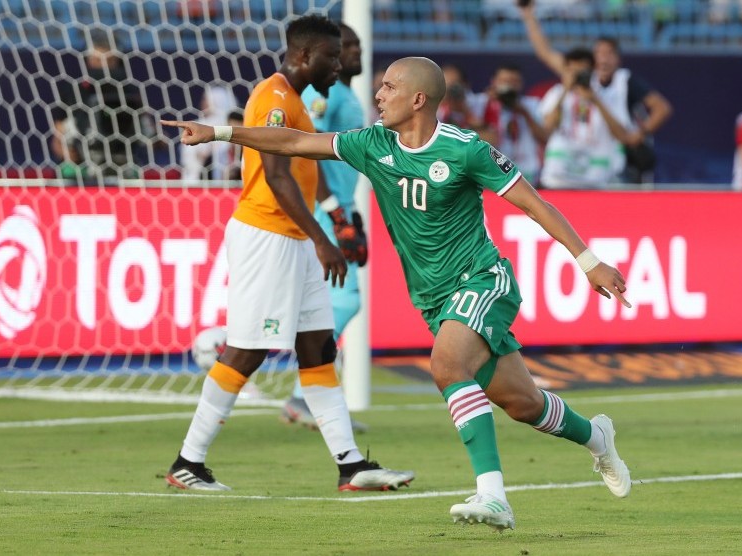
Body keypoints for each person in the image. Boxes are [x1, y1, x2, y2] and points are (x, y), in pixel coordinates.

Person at [162, 56, 632, 531]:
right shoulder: (372, 144)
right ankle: (597, 437)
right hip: (432, 298)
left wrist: (589, 262)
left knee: (447, 366)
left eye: (388, 87)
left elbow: (536, 204)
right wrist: (221, 133)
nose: (379, 95)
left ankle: (493, 497)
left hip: (483, 279)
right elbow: (295, 141)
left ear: (418, 99)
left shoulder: (466, 149)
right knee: (523, 403)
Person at [162, 15, 413, 493]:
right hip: (268, 236)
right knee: (249, 348)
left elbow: (305, 164)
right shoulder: (274, 98)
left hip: (295, 238)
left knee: (317, 346)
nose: (338, 66)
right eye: (331, 56)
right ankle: (187, 462)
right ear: (302, 56)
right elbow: (277, 176)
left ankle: (351, 466)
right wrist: (323, 239)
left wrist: (333, 217)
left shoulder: (295, 100)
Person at [281, 22, 369, 431]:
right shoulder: (321, 94)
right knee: (343, 300)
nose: (353, 52)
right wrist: (335, 212)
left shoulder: (347, 94)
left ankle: (310, 397)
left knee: (324, 300)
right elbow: (310, 153)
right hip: (325, 213)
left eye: (356, 46)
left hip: (340, 209)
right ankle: (306, 394)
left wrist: (352, 215)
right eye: (345, 47)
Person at [519, 3, 672, 185]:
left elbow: (660, 109)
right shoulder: (567, 84)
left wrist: (639, 134)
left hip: (601, 174)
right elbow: (546, 52)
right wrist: (529, 16)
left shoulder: (617, 86)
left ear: (617, 58)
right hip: (561, 175)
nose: (603, 59)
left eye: (609, 54)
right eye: (598, 53)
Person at [50, 28, 156, 186]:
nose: (104, 66)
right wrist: (67, 153)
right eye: (98, 61)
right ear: (89, 60)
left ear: (118, 61)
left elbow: (151, 134)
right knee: (66, 173)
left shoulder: (130, 92)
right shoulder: (73, 91)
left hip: (122, 162)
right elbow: (58, 136)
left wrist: (155, 137)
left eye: (110, 61)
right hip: (82, 162)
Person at [538, 47, 635, 189]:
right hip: (558, 178)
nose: (577, 76)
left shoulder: (609, 95)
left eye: (582, 71)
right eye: (572, 71)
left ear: (593, 71)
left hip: (596, 180)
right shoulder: (556, 93)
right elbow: (547, 129)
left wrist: (596, 101)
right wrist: (565, 90)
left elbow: (622, 136)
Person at [478, 62, 549, 185]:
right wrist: (492, 105)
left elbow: (544, 138)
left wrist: (524, 113)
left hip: (528, 178)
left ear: (521, 83)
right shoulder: (481, 104)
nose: (509, 86)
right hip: (494, 177)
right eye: (505, 81)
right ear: (493, 82)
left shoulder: (533, 105)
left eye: (514, 81)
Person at [180, 85, 242, 184]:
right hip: (197, 179)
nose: (203, 103)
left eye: (206, 99)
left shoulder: (229, 126)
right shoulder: (197, 124)